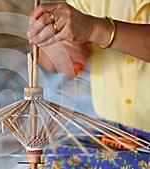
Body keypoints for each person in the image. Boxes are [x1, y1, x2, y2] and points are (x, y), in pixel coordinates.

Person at [27, 1, 150, 133]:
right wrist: (58, 46)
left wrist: (95, 29)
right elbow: (50, 62)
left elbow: (89, 27)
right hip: (110, 130)